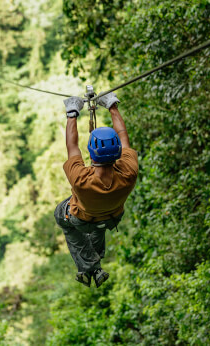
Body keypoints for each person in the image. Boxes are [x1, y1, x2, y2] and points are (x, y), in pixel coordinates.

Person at [54, 91, 138, 287]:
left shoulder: (80, 179)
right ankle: (95, 266)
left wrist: (72, 113)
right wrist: (112, 106)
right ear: (117, 151)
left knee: (62, 215)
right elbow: (124, 136)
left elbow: (72, 145)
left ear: (91, 153)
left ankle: (90, 265)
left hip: (83, 219)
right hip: (110, 217)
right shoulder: (129, 172)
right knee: (97, 220)